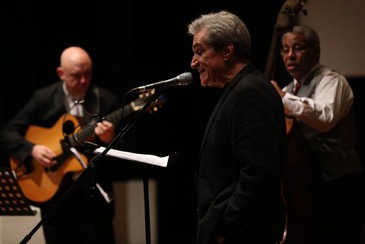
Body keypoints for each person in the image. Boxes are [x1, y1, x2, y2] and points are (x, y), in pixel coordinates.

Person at [0, 46, 120, 244]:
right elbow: (7, 132)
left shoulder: (106, 100)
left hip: (95, 202)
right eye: (76, 75)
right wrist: (33, 149)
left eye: (87, 74)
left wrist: (110, 140)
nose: (83, 81)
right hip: (56, 204)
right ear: (61, 73)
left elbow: (125, 152)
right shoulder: (44, 98)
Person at [187, 10, 287, 243]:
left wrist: (225, 228)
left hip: (244, 234)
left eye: (199, 52)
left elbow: (258, 174)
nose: (193, 63)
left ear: (227, 51)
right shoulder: (240, 89)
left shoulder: (250, 92)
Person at [271, 25, 364, 243]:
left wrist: (283, 98)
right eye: (284, 49)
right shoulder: (289, 88)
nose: (290, 55)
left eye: (298, 48)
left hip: (338, 183)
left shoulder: (332, 81)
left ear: (316, 51)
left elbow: (325, 119)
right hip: (305, 185)